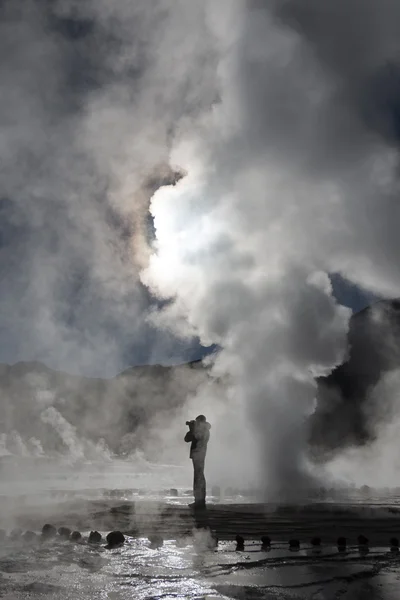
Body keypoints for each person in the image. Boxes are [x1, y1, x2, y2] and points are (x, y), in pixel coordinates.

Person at [184, 415, 211, 509]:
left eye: (197, 422)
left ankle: (200, 501)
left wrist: (192, 429)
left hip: (199, 455)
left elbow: (193, 437)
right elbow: (187, 439)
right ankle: (199, 500)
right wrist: (192, 428)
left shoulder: (203, 431)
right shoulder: (204, 430)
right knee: (199, 477)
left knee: (198, 477)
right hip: (198, 455)